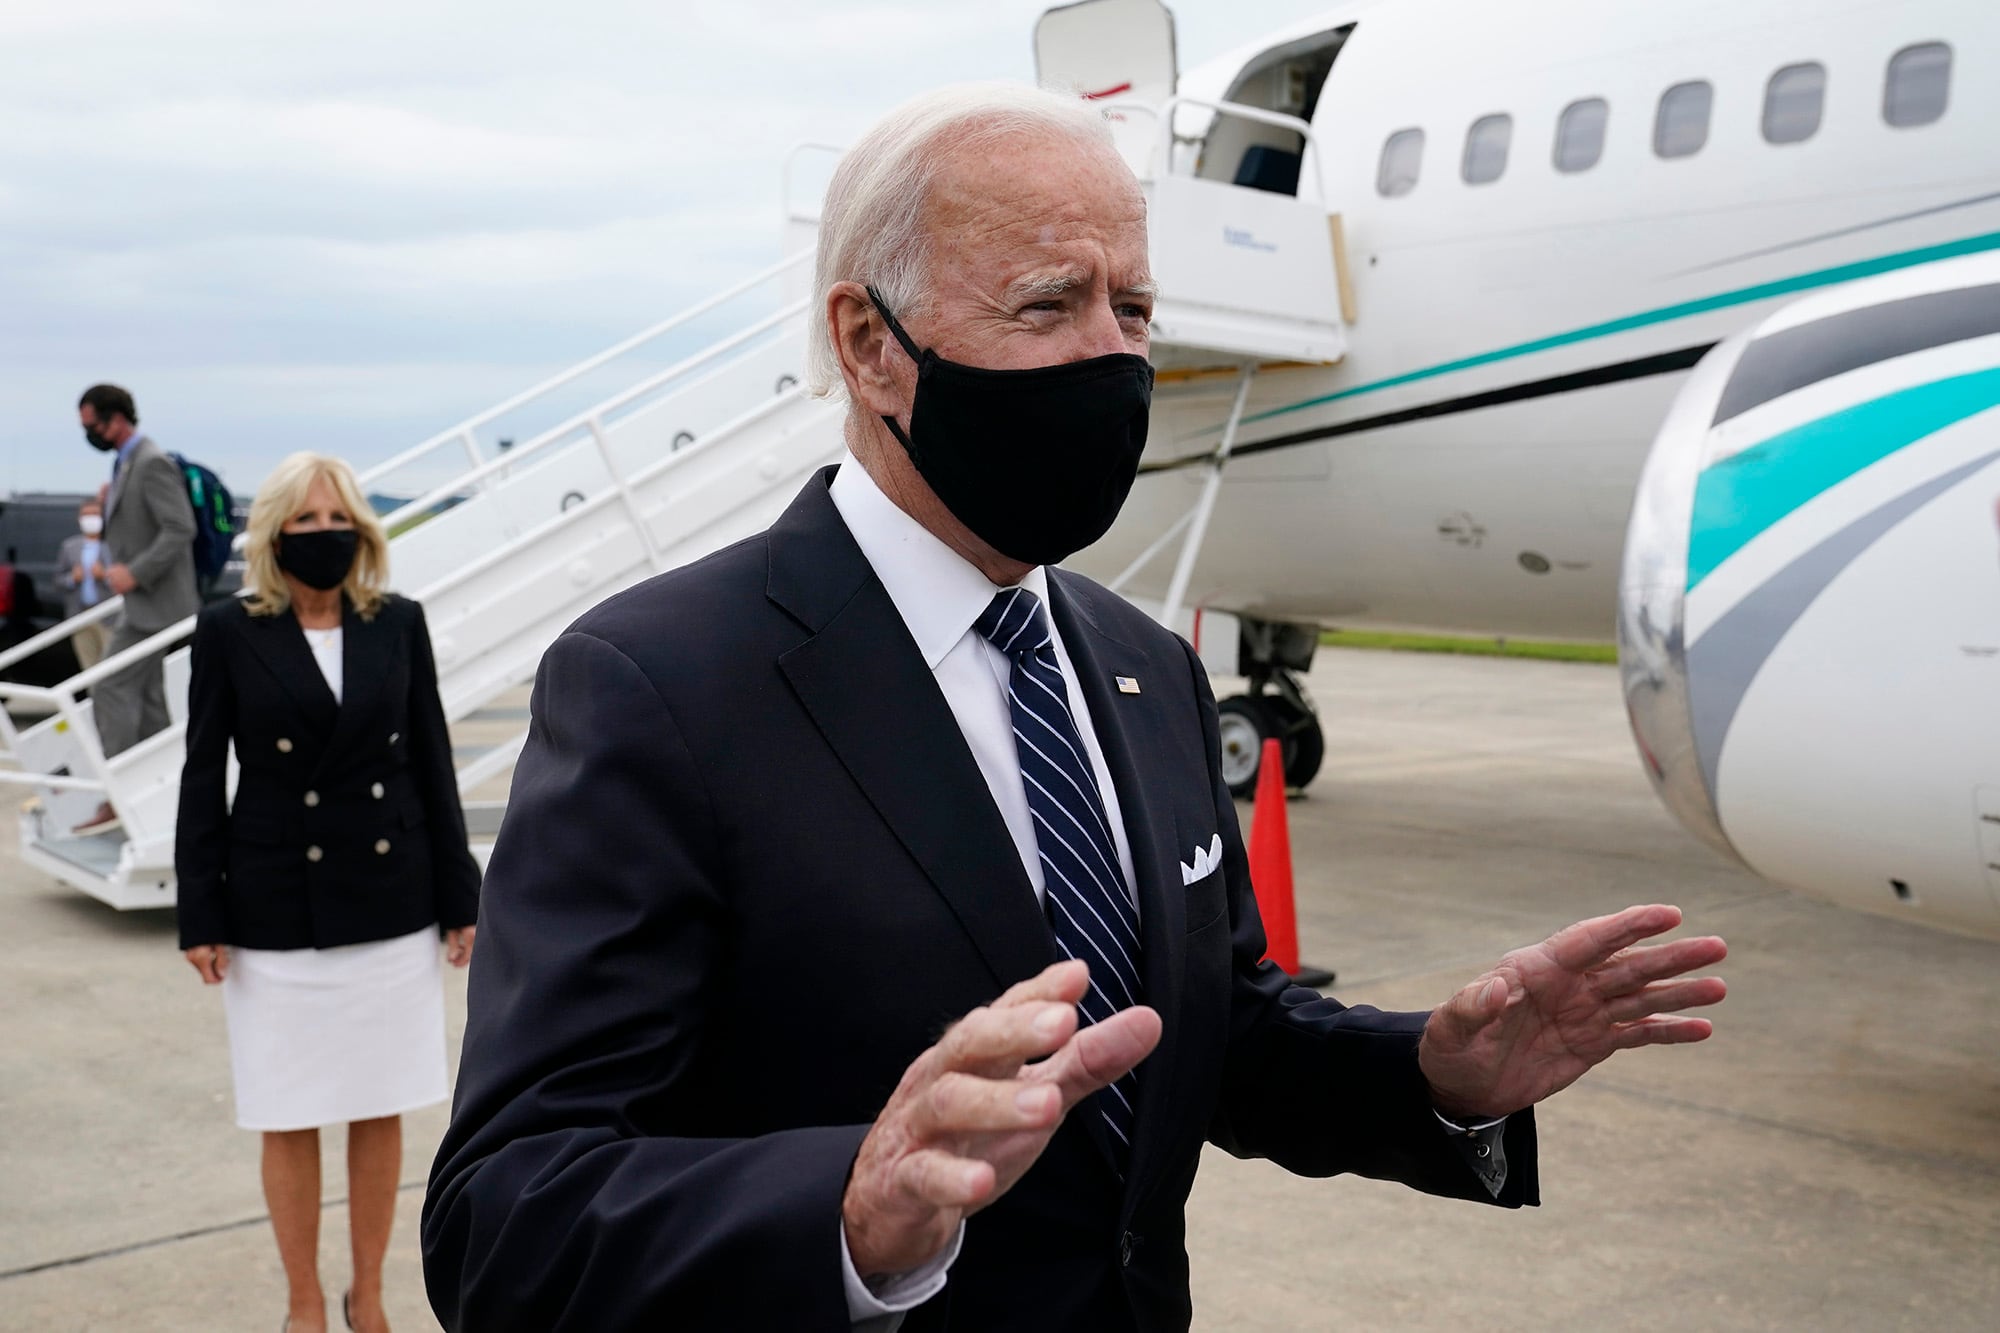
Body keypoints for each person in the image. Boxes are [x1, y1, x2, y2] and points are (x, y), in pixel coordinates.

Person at [423, 84, 1728, 1332]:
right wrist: (850, 1208)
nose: (1113, 356)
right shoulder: (660, 686)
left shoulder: (1144, 665)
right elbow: (503, 1218)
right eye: (1050, 305)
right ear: (870, 345)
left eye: (1138, 306)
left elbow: (1222, 1029)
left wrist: (1433, 1076)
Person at [177, 452, 481, 1333]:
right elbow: (204, 775)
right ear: (274, 535)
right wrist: (202, 909)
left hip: (389, 899)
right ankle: (305, 1300)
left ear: (362, 526)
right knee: (289, 1108)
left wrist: (460, 893)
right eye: (303, 522)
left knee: (379, 1105)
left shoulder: (398, 622)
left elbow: (431, 760)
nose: (323, 534)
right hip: (273, 908)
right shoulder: (230, 630)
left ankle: (371, 1294)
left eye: (336, 517)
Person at [73, 383, 199, 835]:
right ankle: (164, 791)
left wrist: (136, 572)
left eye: (93, 426)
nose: (90, 434)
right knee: (148, 704)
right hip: (143, 607)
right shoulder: (127, 463)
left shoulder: (149, 463)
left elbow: (179, 527)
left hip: (157, 606)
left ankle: (119, 793)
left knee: (108, 686)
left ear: (117, 419)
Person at [54, 498, 112, 670]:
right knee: (88, 667)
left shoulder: (112, 546)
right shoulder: (69, 547)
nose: (91, 519)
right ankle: (94, 698)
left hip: (108, 617)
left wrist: (104, 575)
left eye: (95, 514)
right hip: (79, 615)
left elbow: (125, 581)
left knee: (110, 666)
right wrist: (73, 578)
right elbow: (58, 580)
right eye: (86, 515)